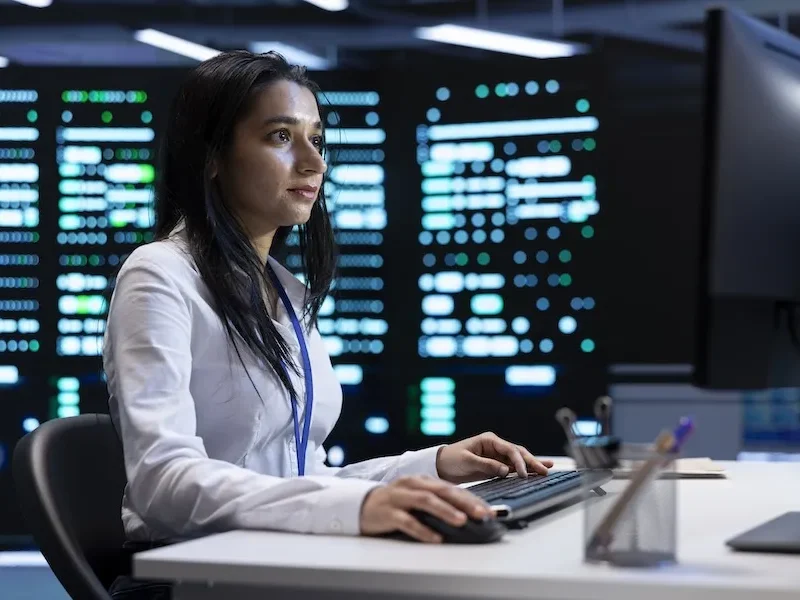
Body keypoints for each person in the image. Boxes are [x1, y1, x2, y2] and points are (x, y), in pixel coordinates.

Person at [103, 50, 553, 599]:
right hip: (192, 577)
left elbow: (300, 481)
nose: (313, 163)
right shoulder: (160, 273)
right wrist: (360, 507)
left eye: (316, 139)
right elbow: (162, 483)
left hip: (275, 565)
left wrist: (431, 466)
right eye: (279, 137)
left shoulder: (284, 291)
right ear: (212, 156)